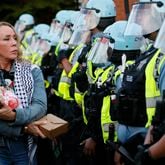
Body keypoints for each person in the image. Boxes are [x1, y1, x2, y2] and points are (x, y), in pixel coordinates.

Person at [111, 1, 165, 164]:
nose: (139, 19)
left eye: (145, 13)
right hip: (145, 140)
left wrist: (149, 154)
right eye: (139, 13)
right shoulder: (151, 54)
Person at [0, 21, 47, 165]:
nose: (14, 43)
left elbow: (40, 107)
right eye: (7, 39)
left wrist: (14, 116)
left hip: (24, 146)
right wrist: (24, 129)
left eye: (15, 38)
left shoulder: (33, 70)